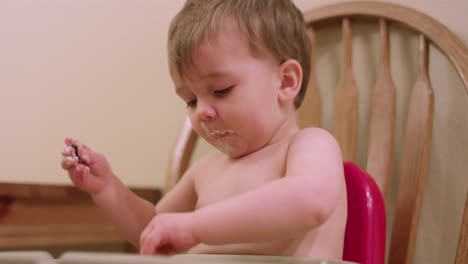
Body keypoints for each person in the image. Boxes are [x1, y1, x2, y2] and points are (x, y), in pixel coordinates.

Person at [61, 0, 347, 260]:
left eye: (221, 90)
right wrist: (108, 188)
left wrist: (195, 226)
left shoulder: (309, 145)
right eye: (191, 100)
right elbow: (152, 228)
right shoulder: (205, 170)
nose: (202, 112)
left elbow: (310, 200)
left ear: (285, 82)